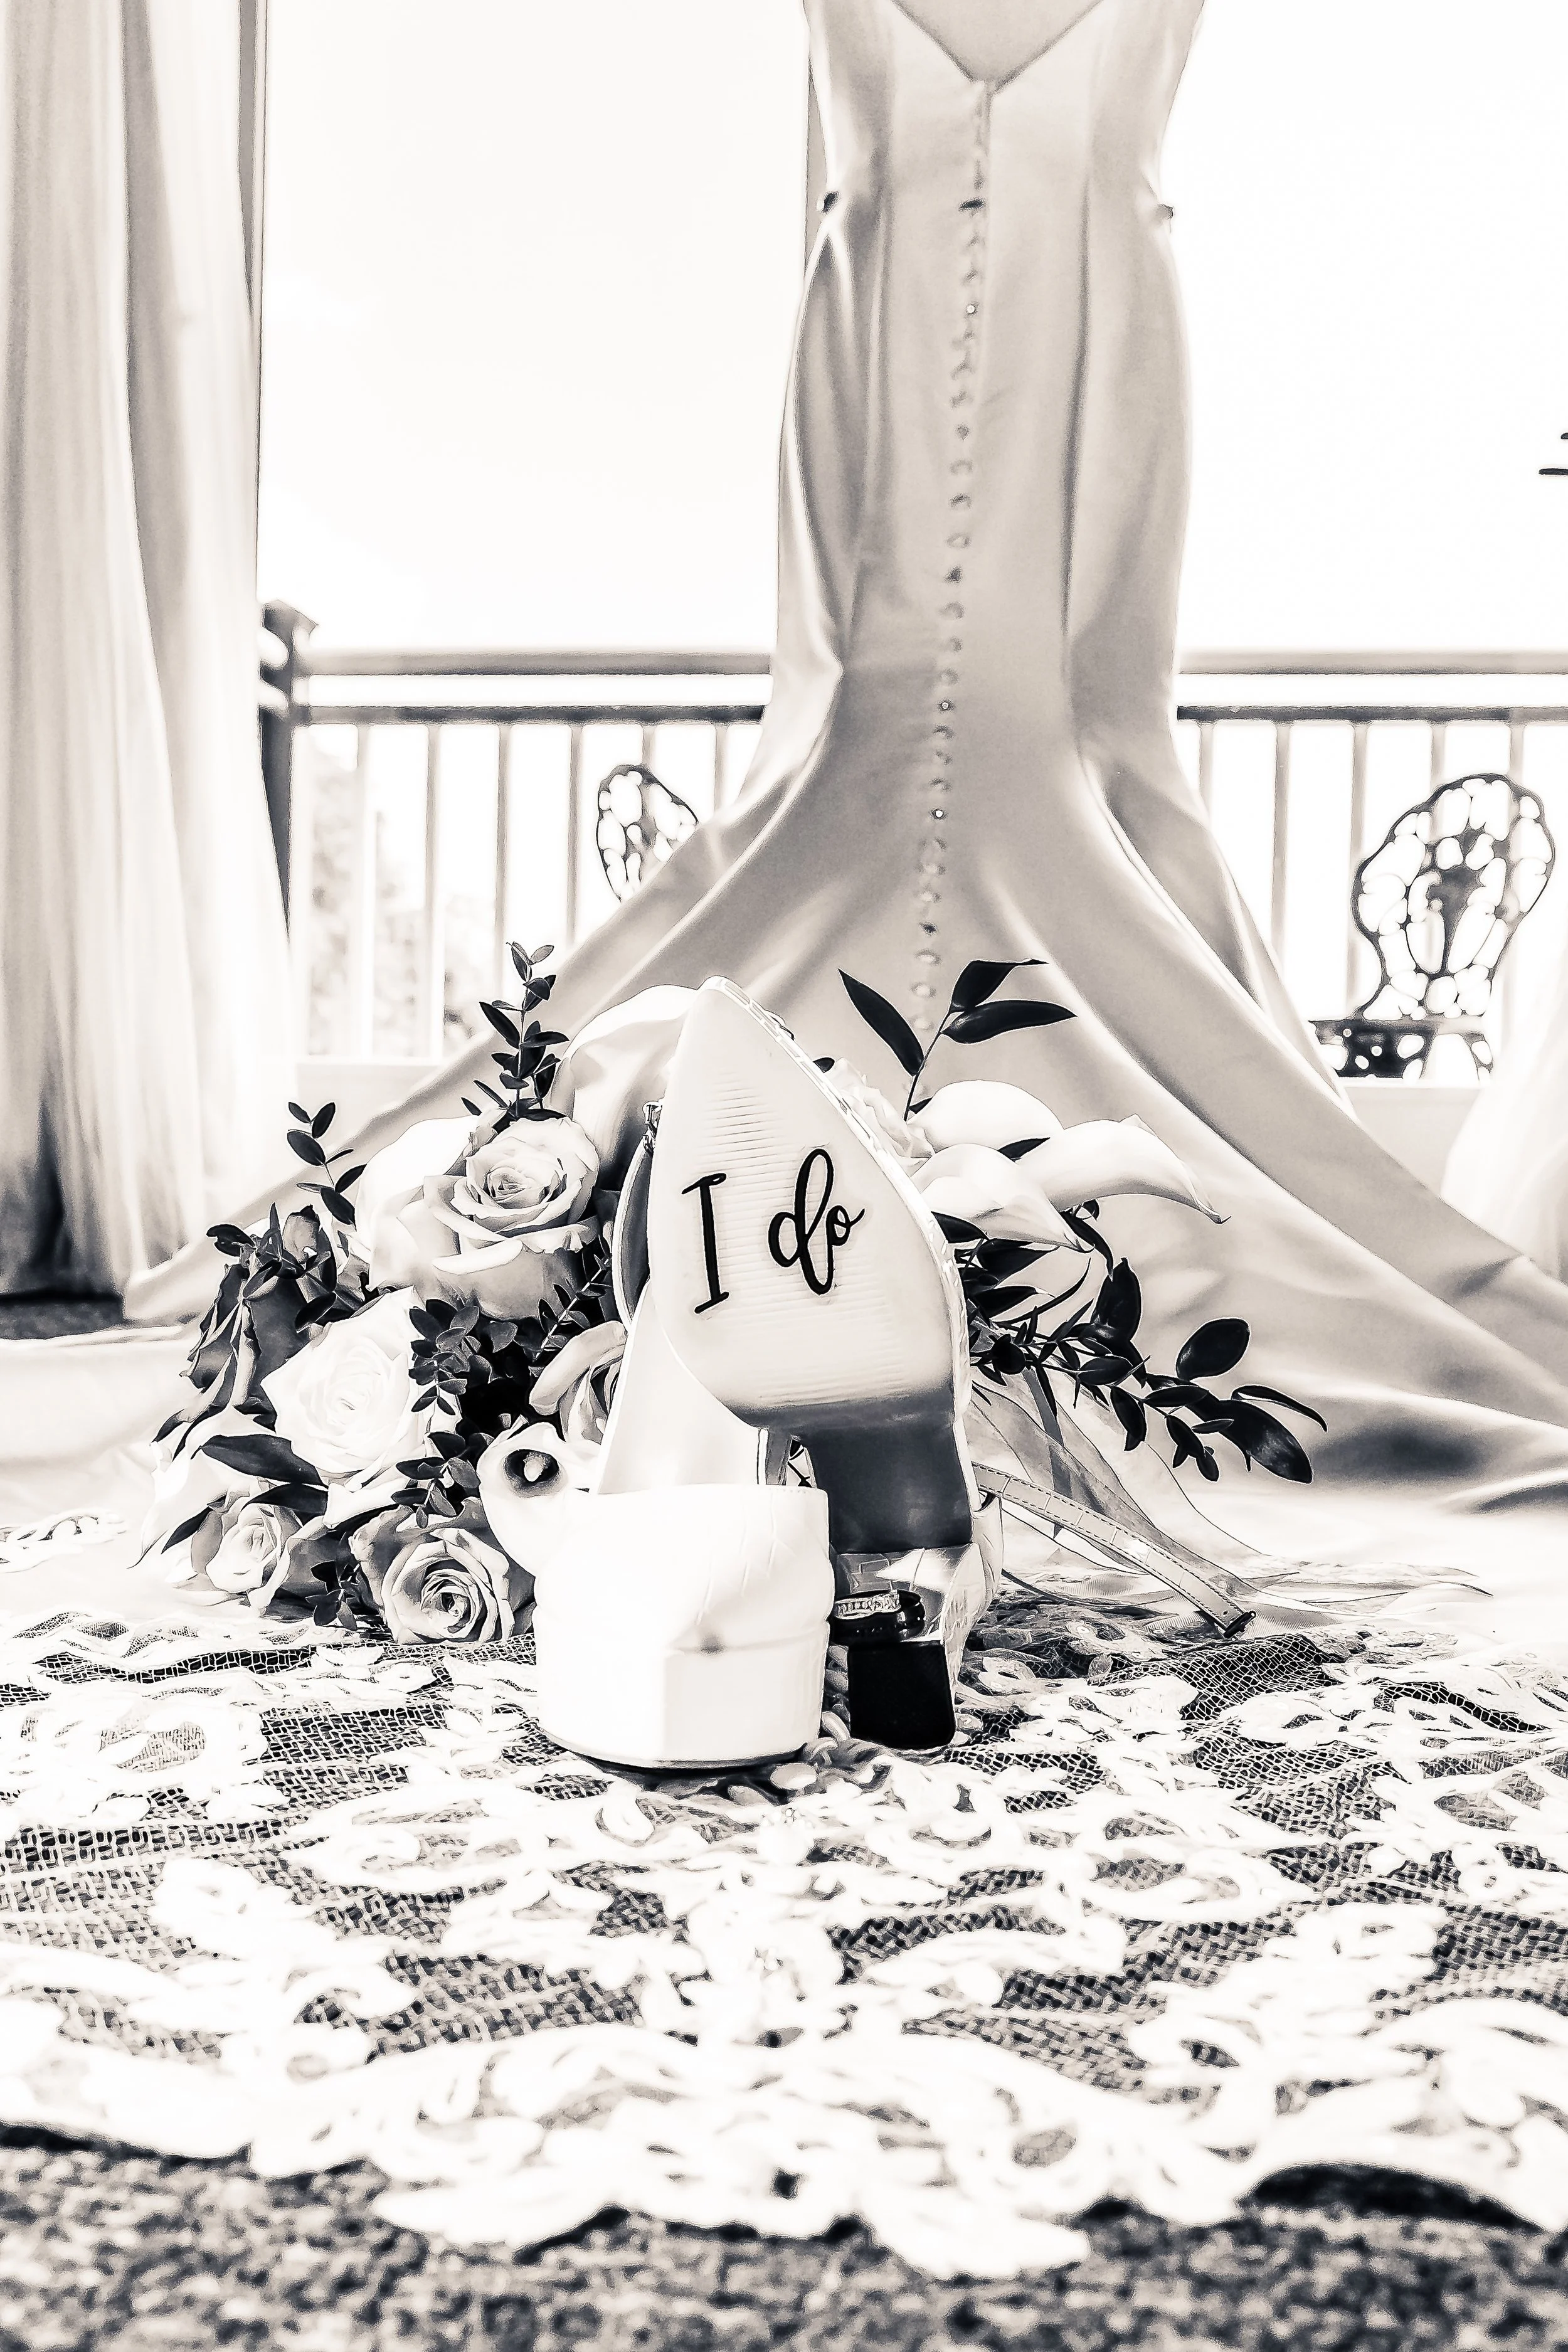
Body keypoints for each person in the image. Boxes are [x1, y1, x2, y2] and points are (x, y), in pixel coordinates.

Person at [18, 0, 1568, 1646]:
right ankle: (716, 1250)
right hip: (873, 342)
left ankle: (941, 1257)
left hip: (1096, 363)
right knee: (847, 756)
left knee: (1076, 762)